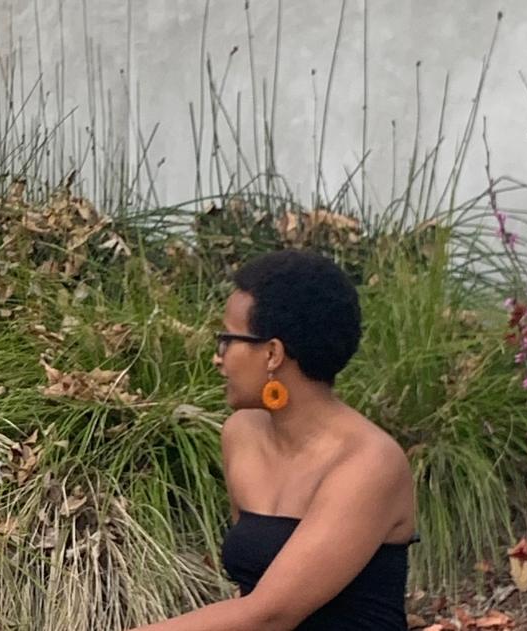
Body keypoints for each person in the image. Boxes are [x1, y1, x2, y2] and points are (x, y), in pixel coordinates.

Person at [133, 250, 416, 631]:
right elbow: (249, 594)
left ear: (272, 353)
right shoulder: (241, 434)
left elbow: (270, 613)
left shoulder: (369, 463)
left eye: (226, 340)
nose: (218, 358)